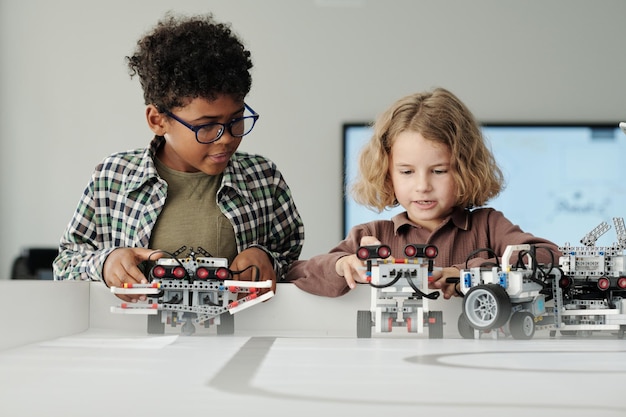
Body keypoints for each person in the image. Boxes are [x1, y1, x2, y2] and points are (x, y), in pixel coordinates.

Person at [53, 12, 304, 302]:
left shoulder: (263, 179)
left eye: (236, 120)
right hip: (140, 340)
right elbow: (65, 264)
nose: (226, 137)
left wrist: (267, 259)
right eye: (207, 126)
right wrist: (106, 263)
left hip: (236, 338)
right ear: (158, 120)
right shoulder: (112, 178)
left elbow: (293, 260)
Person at [286, 87, 561, 298]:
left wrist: (468, 274)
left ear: (465, 169)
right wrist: (342, 264)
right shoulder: (371, 236)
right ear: (387, 173)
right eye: (406, 172)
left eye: (439, 171)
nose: (422, 186)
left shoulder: (489, 226)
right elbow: (298, 272)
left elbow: (551, 257)